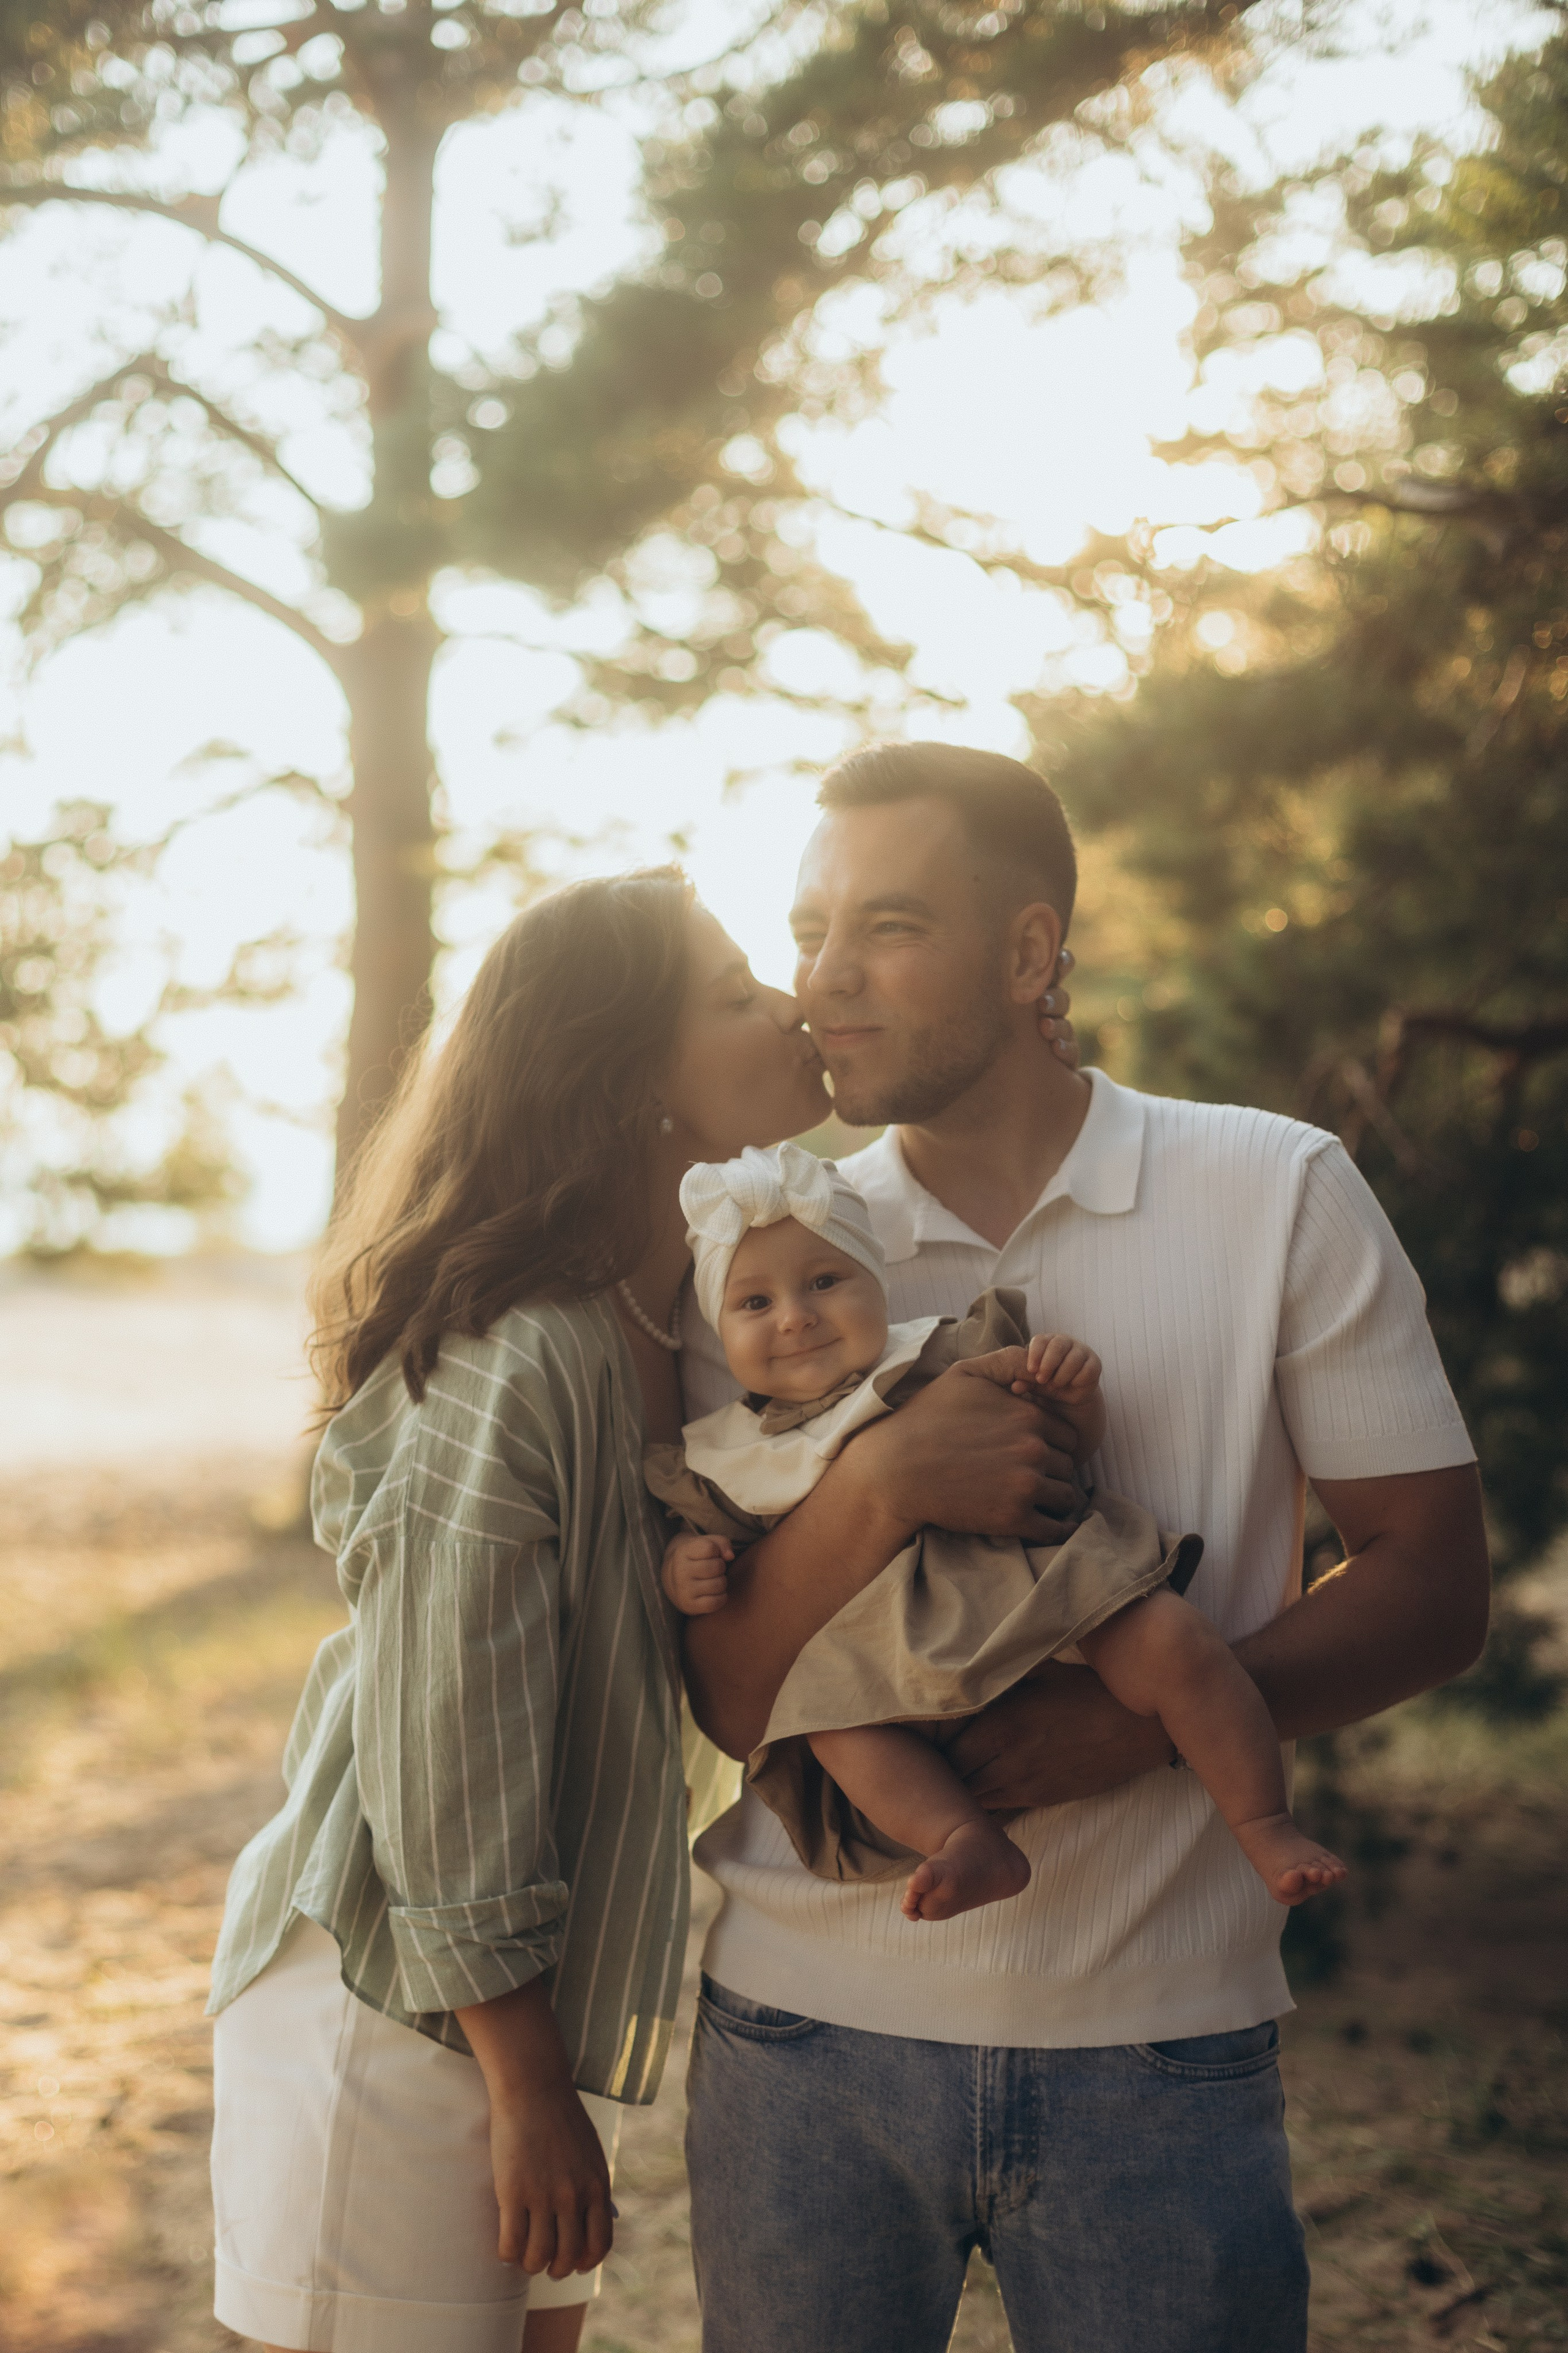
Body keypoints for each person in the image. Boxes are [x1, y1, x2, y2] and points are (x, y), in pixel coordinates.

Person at [677, 742, 1490, 2353]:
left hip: (1162, 2056)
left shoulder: (1275, 1188)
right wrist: (881, 1486)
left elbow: (1430, 1582)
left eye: (885, 926)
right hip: (801, 2046)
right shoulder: (763, 1247)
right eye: (806, 925)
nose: (820, 978)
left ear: (1031, 951)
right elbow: (723, 1692)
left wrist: (1103, 1737)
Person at [204, 868, 838, 2353]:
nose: (791, 1007)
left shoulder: (675, 1323)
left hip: (518, 2013)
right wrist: (525, 2084)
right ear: (630, 1080)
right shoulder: (519, 1354)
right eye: (737, 991)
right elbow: (446, 1743)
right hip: (404, 2013)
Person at [654, 1141, 1346, 1923]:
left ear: (871, 1279)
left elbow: (1050, 1450)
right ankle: (964, 1838)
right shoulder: (728, 1455)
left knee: (1175, 1645)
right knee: (834, 1732)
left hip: (1035, 1579)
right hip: (879, 1651)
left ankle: (1262, 1821)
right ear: (719, 1329)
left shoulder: (940, 1354)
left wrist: (1074, 1398)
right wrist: (687, 1565)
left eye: (824, 1280)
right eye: (755, 1304)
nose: (797, 1315)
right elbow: (728, 1552)